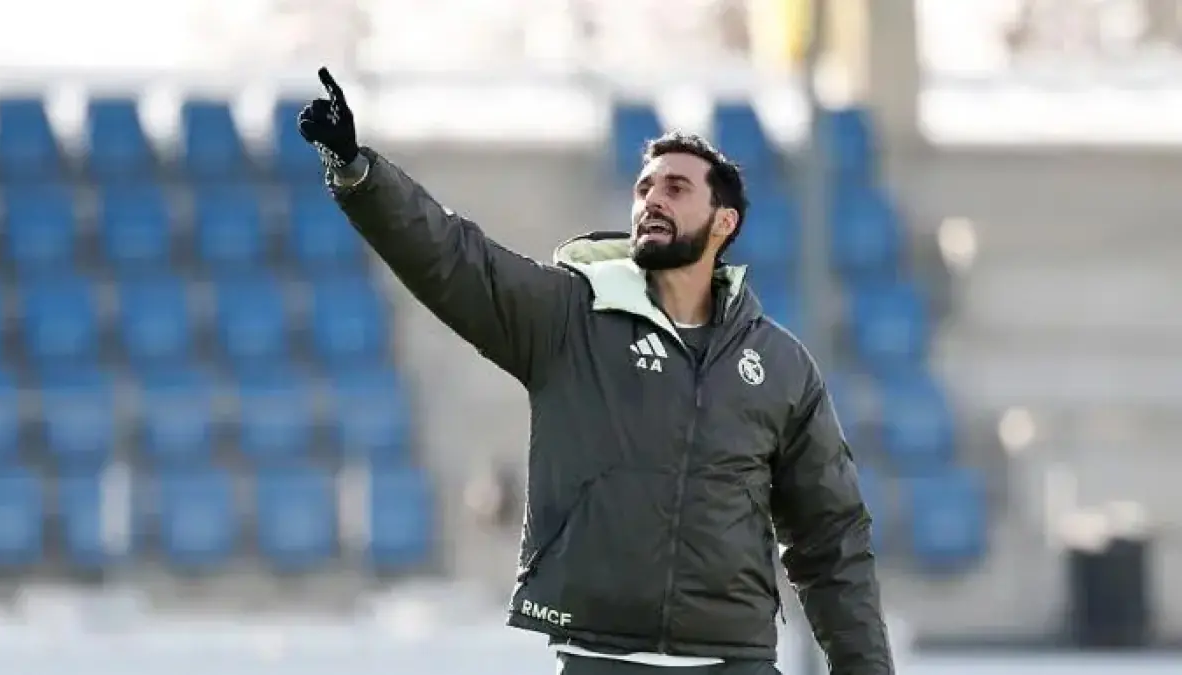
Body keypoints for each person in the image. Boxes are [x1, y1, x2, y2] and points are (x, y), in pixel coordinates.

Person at [299, 68, 893, 675]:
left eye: (677, 188)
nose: (653, 200)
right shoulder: (567, 317)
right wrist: (360, 174)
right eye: (645, 188)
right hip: (598, 659)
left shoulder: (781, 366)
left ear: (724, 223)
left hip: (735, 662)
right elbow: (455, 258)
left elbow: (832, 541)